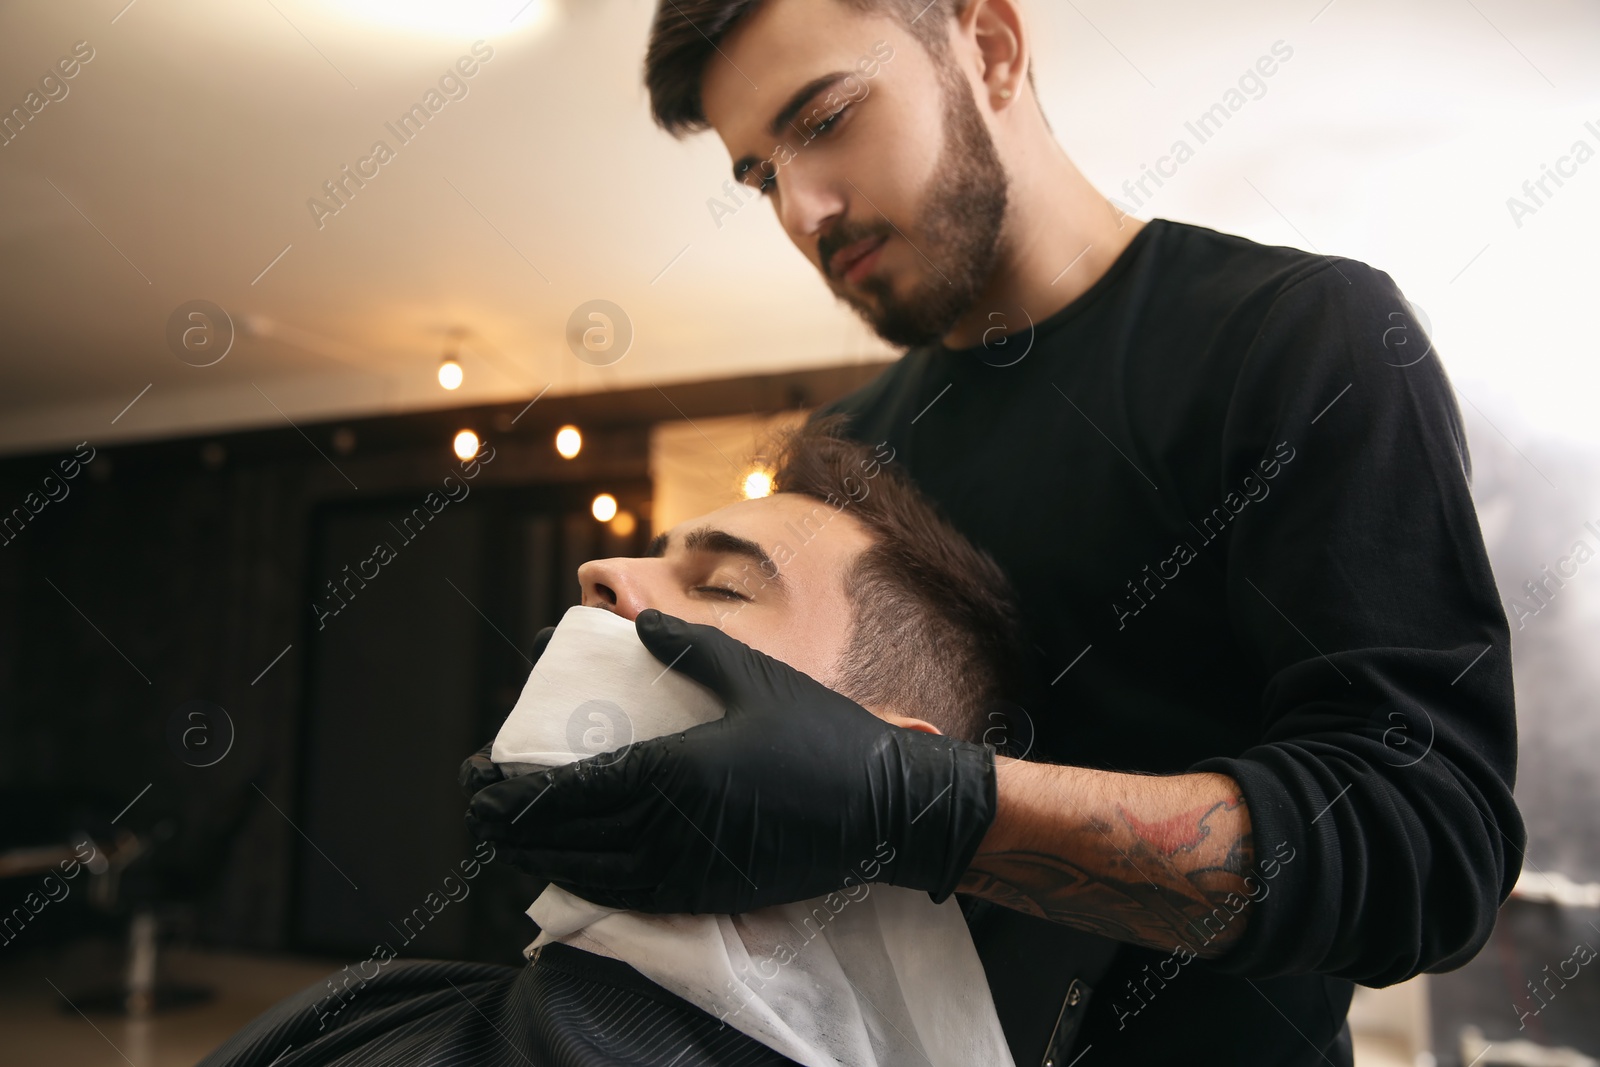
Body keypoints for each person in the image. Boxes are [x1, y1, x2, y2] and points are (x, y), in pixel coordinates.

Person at [463, 0, 1526, 1063]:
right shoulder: (848, 450)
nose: (803, 208)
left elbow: (1425, 853)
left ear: (990, 46)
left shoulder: (1296, 340)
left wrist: (924, 807)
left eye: (825, 117)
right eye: (757, 175)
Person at [202, 420, 1049, 1067]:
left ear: (882, 763)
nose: (598, 569)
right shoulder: (367, 1013)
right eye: (651, 554)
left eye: (719, 584)